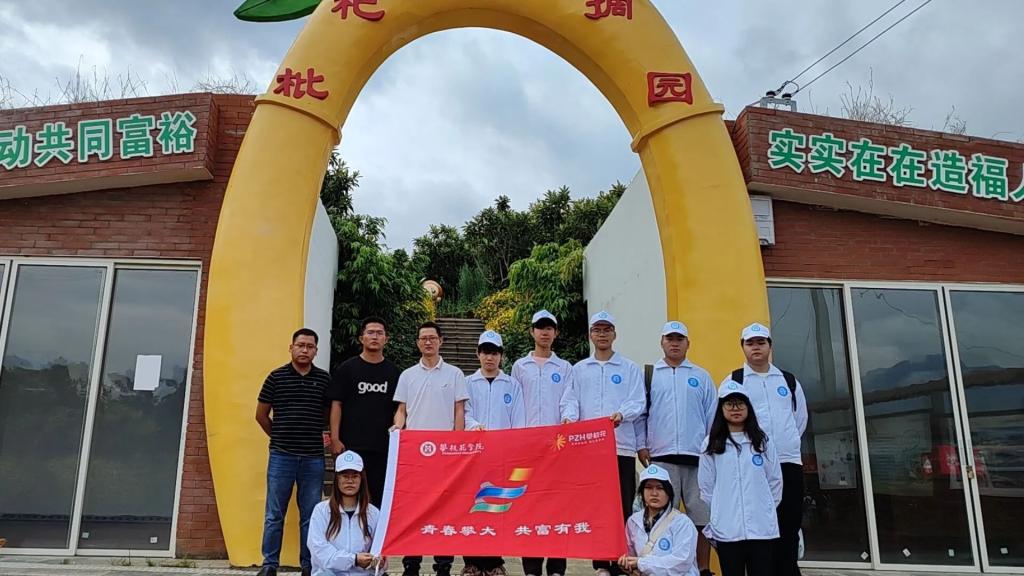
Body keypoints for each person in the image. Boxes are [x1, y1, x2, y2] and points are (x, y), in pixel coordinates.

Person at [724, 323, 807, 576]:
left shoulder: (788, 381)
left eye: (761, 342)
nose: (756, 347)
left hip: (788, 461)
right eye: (750, 343)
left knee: (789, 522)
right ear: (742, 347)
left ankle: (788, 570)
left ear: (770, 346)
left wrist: (785, 443)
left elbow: (799, 419)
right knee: (760, 525)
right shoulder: (734, 381)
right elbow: (724, 420)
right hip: (753, 465)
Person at [571, 311, 645, 576]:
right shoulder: (579, 369)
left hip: (621, 447)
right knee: (597, 507)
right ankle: (601, 563)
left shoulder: (629, 368)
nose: (602, 335)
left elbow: (638, 401)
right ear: (590, 335)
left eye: (607, 330)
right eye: (597, 330)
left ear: (615, 334)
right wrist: (570, 419)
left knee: (623, 505)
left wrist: (622, 414)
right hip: (590, 450)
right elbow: (571, 401)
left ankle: (622, 561)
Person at [392, 321, 469, 576]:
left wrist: (458, 444)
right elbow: (401, 410)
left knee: (445, 511)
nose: (428, 342)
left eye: (432, 338)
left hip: (445, 455)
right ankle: (411, 564)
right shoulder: (407, 375)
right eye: (423, 338)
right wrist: (397, 428)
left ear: (441, 341)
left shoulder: (455, 374)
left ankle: (443, 565)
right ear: (417, 342)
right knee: (414, 511)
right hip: (416, 455)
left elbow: (459, 410)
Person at [640, 321, 717, 576]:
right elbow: (641, 414)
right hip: (661, 458)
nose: (674, 343)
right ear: (662, 342)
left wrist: (710, 449)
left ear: (687, 343)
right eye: (670, 339)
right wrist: (642, 445)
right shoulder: (650, 375)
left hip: (697, 459)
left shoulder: (701, 376)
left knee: (701, 517)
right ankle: (661, 566)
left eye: (679, 339)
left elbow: (712, 416)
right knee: (661, 514)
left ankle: (702, 568)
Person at [256, 328, 333, 576]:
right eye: (300, 345)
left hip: (313, 457)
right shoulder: (276, 377)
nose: (304, 350)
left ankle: (308, 565)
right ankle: (269, 564)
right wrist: (278, 436)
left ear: (316, 351)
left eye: (310, 346)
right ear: (291, 347)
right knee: (274, 514)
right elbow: (261, 415)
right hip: (282, 456)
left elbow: (328, 415)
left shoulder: (324, 380)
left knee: (311, 516)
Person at [511, 310, 575, 576]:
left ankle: (557, 567)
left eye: (549, 328)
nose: (544, 332)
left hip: (556, 449)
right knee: (529, 508)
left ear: (556, 333)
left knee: (558, 508)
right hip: (527, 449)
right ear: (532, 332)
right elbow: (514, 403)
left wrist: (569, 419)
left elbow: (569, 400)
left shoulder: (565, 367)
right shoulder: (519, 366)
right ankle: (531, 567)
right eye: (540, 327)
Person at [698, 382, 783, 576]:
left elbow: (775, 481)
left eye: (740, 404)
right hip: (727, 530)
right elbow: (706, 487)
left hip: (761, 528)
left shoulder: (762, 442)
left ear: (748, 407)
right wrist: (721, 512)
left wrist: (765, 508)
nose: (735, 409)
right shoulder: (711, 444)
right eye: (729, 404)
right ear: (721, 409)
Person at [462, 330, 525, 576]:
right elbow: (464, 413)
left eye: (495, 353)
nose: (490, 357)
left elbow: (519, 420)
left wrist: (513, 448)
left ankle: (494, 562)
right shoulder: (467, 383)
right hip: (474, 456)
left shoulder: (512, 385)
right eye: (485, 352)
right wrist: (474, 426)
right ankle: (471, 561)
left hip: (501, 456)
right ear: (478, 354)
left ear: (501, 356)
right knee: (473, 508)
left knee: (497, 507)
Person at [329, 316, 401, 507]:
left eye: (379, 333)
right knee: (349, 498)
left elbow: (400, 409)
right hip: (351, 446)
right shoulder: (347, 369)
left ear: (386, 339)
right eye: (370, 333)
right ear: (361, 338)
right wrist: (334, 439)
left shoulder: (394, 372)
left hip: (383, 447)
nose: (375, 337)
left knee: (379, 499)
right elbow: (337, 404)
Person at [308, 450, 382, 576]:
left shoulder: (373, 513)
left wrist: (380, 562)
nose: (350, 481)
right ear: (337, 478)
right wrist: (353, 560)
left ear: (361, 479)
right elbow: (319, 552)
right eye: (345, 476)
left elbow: (379, 553)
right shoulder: (321, 511)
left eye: (355, 476)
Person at [618, 465, 699, 576]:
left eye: (660, 488)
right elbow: (631, 557)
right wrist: (627, 565)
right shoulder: (633, 521)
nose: (654, 493)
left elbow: (682, 562)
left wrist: (641, 563)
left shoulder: (682, 523)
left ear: (669, 492)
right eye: (648, 487)